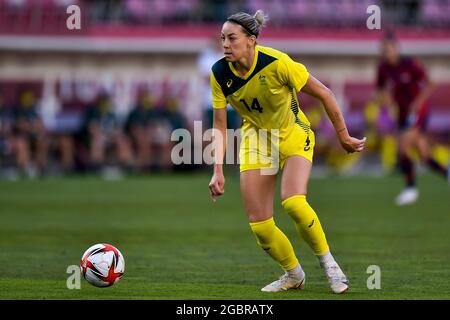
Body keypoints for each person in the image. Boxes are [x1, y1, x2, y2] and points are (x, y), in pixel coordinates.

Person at [208, 10, 366, 294]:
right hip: (257, 141)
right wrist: (217, 170)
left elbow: (324, 93)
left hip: (293, 134)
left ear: (251, 40)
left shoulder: (278, 63)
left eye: (232, 38)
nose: (225, 44)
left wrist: (343, 136)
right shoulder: (219, 73)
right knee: (260, 227)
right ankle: (293, 275)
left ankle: (329, 263)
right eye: (222, 39)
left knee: (293, 202)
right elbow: (219, 125)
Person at [375, 34, 449, 206]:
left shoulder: (410, 64)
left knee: (402, 148)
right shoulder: (383, 68)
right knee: (424, 156)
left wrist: (418, 102)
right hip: (402, 112)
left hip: (418, 111)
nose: (388, 53)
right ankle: (447, 173)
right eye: (385, 50)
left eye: (390, 49)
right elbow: (380, 90)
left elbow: (431, 83)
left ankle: (411, 189)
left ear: (397, 49)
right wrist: (386, 101)